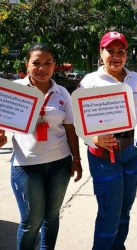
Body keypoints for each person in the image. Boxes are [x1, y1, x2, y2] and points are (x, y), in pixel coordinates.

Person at [78, 31, 137, 250]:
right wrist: (93, 138)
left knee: (124, 211)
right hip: (103, 155)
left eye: (121, 51)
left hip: (131, 151)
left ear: (127, 54)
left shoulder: (136, 79)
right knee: (109, 213)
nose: (116, 56)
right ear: (101, 53)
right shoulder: (89, 82)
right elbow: (77, 121)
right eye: (110, 51)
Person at [10, 43, 83, 250]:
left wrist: (76, 160)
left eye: (47, 63)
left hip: (59, 165)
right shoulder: (15, 91)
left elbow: (70, 129)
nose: (42, 68)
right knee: (31, 222)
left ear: (54, 66)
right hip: (26, 166)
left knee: (51, 218)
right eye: (36, 63)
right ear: (27, 65)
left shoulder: (62, 93)